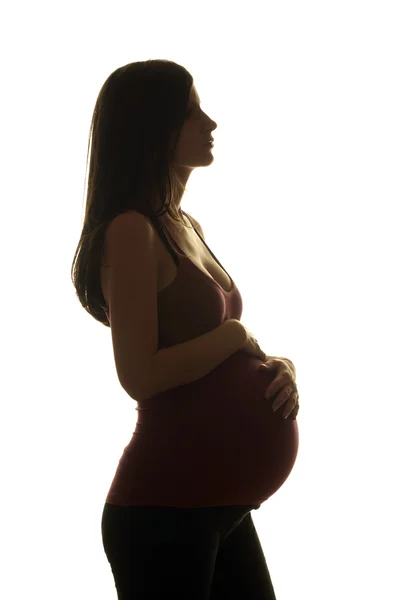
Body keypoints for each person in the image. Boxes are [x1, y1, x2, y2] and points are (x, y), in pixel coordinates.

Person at [71, 59, 299, 599]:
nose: (211, 123)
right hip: (162, 512)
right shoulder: (131, 231)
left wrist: (276, 367)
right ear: (154, 128)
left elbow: (221, 343)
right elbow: (140, 375)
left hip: (219, 506)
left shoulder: (185, 224)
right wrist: (236, 338)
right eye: (192, 112)